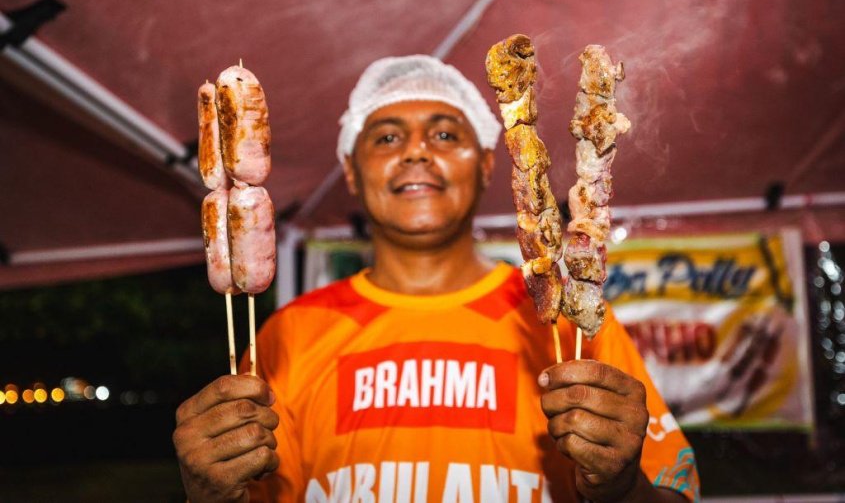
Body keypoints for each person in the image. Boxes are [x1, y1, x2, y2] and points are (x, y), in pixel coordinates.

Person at [173, 56, 700, 502]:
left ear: (492, 164)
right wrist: (207, 492)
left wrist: (624, 487)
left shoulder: (567, 324)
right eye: (386, 137)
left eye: (446, 133)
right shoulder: (291, 334)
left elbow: (673, 488)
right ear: (352, 172)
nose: (417, 150)